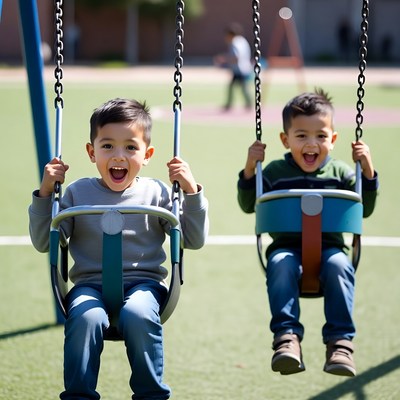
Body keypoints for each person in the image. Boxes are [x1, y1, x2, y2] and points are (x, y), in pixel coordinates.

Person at [29, 98, 209, 399]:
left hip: (144, 285)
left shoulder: (157, 193)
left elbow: (192, 239)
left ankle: (151, 394)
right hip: (89, 285)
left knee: (138, 315)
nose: (119, 156)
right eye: (108, 146)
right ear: (92, 152)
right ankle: (78, 394)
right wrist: (46, 193)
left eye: (131, 147)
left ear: (147, 154)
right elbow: (44, 242)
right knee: (86, 318)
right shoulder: (76, 192)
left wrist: (190, 192)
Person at [237, 89, 378, 377]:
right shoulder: (274, 172)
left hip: (331, 249)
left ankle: (340, 344)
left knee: (340, 265)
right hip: (286, 248)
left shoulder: (341, 173)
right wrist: (251, 168)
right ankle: (286, 339)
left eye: (321, 136)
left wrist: (368, 170)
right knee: (280, 264)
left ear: (333, 140)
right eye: (301, 136)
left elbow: (364, 210)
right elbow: (248, 205)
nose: (312, 144)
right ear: (285, 140)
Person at [214, 22, 253, 110]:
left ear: (231, 34)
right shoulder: (241, 40)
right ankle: (235, 104)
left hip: (240, 70)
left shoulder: (235, 42)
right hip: (243, 68)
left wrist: (224, 59)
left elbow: (236, 57)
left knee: (243, 88)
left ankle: (247, 104)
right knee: (236, 87)